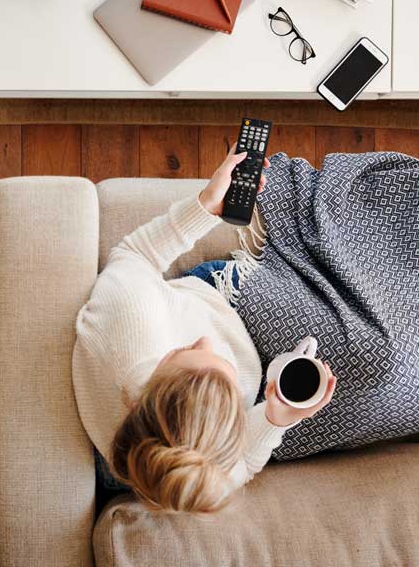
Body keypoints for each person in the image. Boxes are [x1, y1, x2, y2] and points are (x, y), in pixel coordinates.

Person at [72, 146, 337, 515]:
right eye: (224, 370)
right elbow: (242, 467)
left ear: (137, 400)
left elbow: (136, 254)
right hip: (257, 388)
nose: (205, 341)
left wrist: (205, 207)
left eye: (184, 352)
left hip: (215, 297)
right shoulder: (195, 474)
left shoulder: (130, 317)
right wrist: (273, 419)